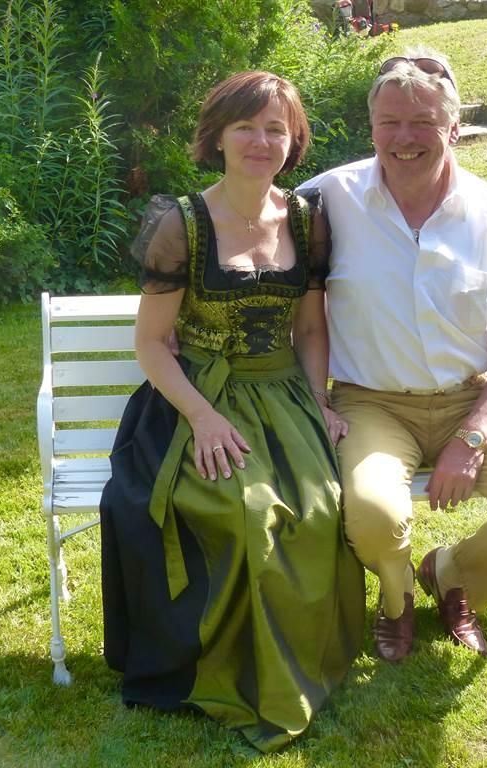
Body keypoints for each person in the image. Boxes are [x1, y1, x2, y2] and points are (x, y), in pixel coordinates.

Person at [99, 71, 365, 752]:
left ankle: (301, 661)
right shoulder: (181, 224)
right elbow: (151, 344)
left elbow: (310, 329)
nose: (260, 141)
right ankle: (221, 672)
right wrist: (202, 418)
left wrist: (319, 401)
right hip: (195, 398)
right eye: (245, 126)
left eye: (276, 128)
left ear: (293, 141)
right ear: (216, 136)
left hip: (282, 393)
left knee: (319, 509)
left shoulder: (305, 220)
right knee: (244, 513)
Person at [298, 49, 487, 662]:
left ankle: (452, 573)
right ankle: (397, 597)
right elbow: (257, 251)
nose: (404, 138)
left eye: (424, 122)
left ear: (454, 128)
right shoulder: (327, 200)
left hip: (469, 401)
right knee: (373, 514)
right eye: (389, 122)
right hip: (371, 404)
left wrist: (473, 436)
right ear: (371, 126)